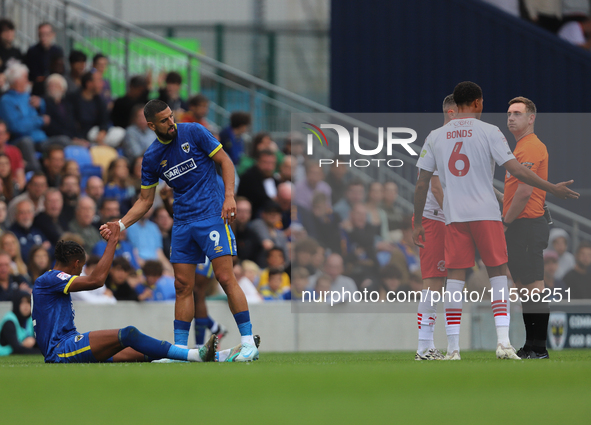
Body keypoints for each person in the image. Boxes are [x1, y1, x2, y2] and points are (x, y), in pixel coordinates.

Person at [413, 81, 578, 360]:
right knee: (500, 275)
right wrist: (552, 189)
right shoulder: (490, 132)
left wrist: (417, 221)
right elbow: (517, 172)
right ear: (477, 103)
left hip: (453, 217)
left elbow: (422, 184)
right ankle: (505, 342)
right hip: (489, 216)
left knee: (454, 279)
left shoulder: (435, 136)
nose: (510, 117)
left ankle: (453, 348)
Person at [100, 99, 258, 362]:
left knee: (224, 277)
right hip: (183, 223)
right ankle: (180, 352)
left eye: (171, 116)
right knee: (182, 285)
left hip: (212, 216)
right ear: (151, 125)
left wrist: (229, 196)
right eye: (164, 120)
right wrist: (120, 224)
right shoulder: (151, 157)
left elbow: (226, 161)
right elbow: (145, 201)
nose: (171, 122)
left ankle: (248, 342)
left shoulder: (193, 131)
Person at [32, 227, 218, 363]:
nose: (80, 272)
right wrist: (113, 242)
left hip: (69, 343)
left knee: (135, 351)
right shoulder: (51, 278)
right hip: (60, 349)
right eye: (81, 268)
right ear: (76, 263)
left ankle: (208, 355)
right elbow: (96, 281)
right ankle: (193, 355)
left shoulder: (52, 281)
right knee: (128, 334)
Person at [502, 96, 551, 360]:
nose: (511, 117)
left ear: (531, 118)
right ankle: (530, 345)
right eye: (509, 113)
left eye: (517, 113)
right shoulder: (519, 148)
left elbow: (524, 192)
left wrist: (505, 223)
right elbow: (513, 194)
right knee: (524, 289)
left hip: (527, 224)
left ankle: (539, 347)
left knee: (533, 289)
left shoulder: (531, 146)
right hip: (520, 225)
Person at [414, 94, 455, 361]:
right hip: (436, 218)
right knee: (433, 282)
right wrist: (455, 216)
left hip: (436, 217)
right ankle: (424, 346)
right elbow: (435, 186)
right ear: (452, 113)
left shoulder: (439, 139)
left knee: (437, 282)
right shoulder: (441, 140)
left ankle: (426, 345)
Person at [236, 149, 279, 218]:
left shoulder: (274, 180)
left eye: (272, 163)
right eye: (265, 162)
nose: (269, 167)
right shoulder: (249, 178)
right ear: (258, 162)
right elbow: (259, 200)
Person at [24, 23, 63, 96]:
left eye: (47, 34)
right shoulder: (32, 51)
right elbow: (32, 74)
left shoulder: (57, 51)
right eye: (41, 34)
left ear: (52, 35)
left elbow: (60, 71)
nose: (43, 37)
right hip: (37, 88)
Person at [0, 291, 39, 356]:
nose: (26, 306)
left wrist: (33, 341)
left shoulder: (29, 320)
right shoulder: (9, 322)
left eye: (28, 302)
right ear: (16, 303)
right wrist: (40, 352)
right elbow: (17, 348)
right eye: (22, 302)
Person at [0, 120, 26, 191]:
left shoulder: (14, 151)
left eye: (1, 133)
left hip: (13, 190)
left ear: (7, 135)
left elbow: (21, 180)